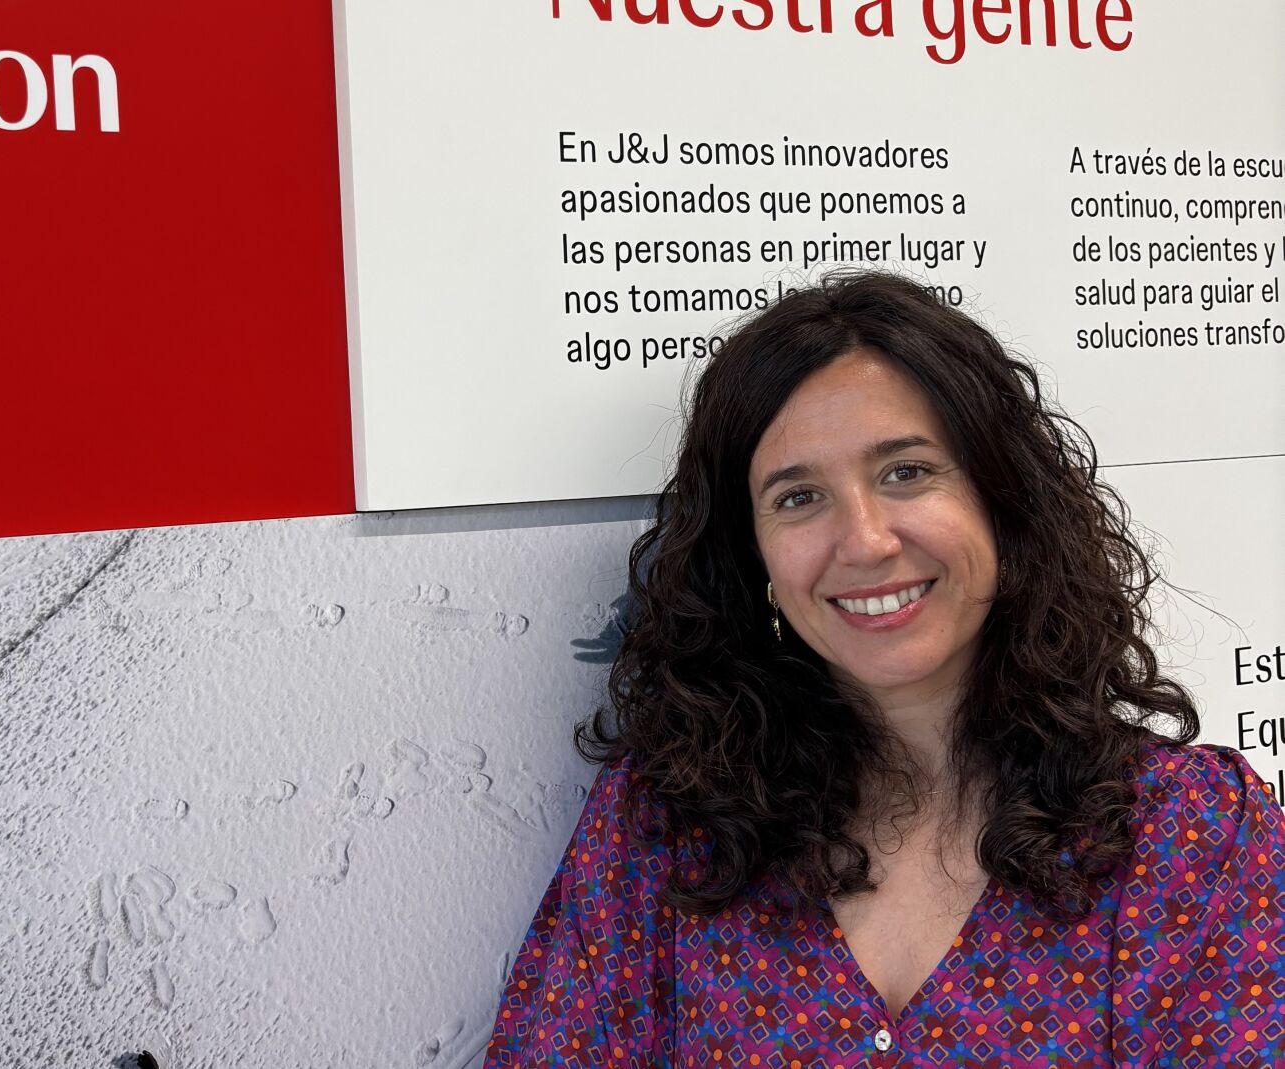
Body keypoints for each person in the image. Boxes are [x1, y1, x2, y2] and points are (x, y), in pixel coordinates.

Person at [483, 270, 1285, 1066]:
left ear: (1001, 504)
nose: (865, 541)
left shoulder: (1195, 835)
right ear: (754, 556)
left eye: (906, 471)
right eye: (798, 496)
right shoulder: (662, 825)